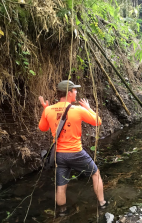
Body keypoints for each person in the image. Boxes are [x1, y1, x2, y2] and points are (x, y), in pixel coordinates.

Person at [38, 80, 106, 216]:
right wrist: (88, 108)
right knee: (95, 173)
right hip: (76, 153)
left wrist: (45, 108)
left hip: (59, 155)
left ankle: (62, 213)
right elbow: (97, 121)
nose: (76, 92)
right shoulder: (78, 110)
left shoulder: (49, 110)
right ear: (69, 93)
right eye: (74, 90)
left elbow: (43, 128)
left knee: (61, 186)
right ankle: (102, 203)